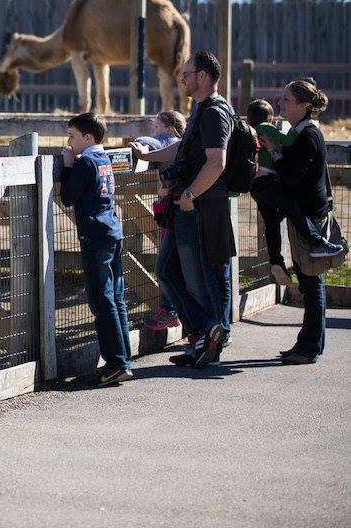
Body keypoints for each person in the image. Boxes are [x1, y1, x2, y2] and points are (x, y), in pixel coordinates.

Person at [130, 51, 234, 368]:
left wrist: (189, 193)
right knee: (167, 270)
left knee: (197, 277)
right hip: (185, 206)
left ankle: (207, 336)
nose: (183, 79)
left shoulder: (215, 111)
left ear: (202, 77)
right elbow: (184, 149)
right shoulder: (199, 110)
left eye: (187, 74)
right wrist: (149, 157)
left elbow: (217, 161)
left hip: (197, 207)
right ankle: (205, 332)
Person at [259, 79, 336, 364]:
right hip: (307, 212)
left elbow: (291, 177)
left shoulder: (307, 136)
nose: (281, 104)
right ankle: (310, 343)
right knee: (310, 279)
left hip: (309, 215)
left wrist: (274, 150)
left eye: (287, 100)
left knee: (311, 281)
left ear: (304, 106)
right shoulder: (301, 133)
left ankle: (308, 347)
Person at [60, 112, 132, 385]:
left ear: (87, 137)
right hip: (113, 230)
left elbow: (68, 197)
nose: (69, 141)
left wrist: (68, 165)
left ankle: (116, 362)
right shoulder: (104, 159)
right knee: (116, 297)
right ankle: (124, 357)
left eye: (72, 136)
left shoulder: (86, 162)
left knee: (102, 299)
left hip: (95, 235)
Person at [248, 99, 343, 286]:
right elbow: (289, 140)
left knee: (272, 223)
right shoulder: (267, 128)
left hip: (256, 187)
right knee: (291, 207)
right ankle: (316, 241)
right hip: (269, 182)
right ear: (271, 117)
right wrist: (306, 125)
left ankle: (276, 261)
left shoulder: (249, 132)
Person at [133, 110, 185, 332]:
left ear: (170, 127)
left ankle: (169, 311)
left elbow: (152, 142)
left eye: (156, 127)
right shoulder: (182, 145)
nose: (153, 131)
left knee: (165, 265)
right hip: (180, 210)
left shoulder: (170, 141)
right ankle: (177, 311)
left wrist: (140, 144)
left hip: (171, 213)